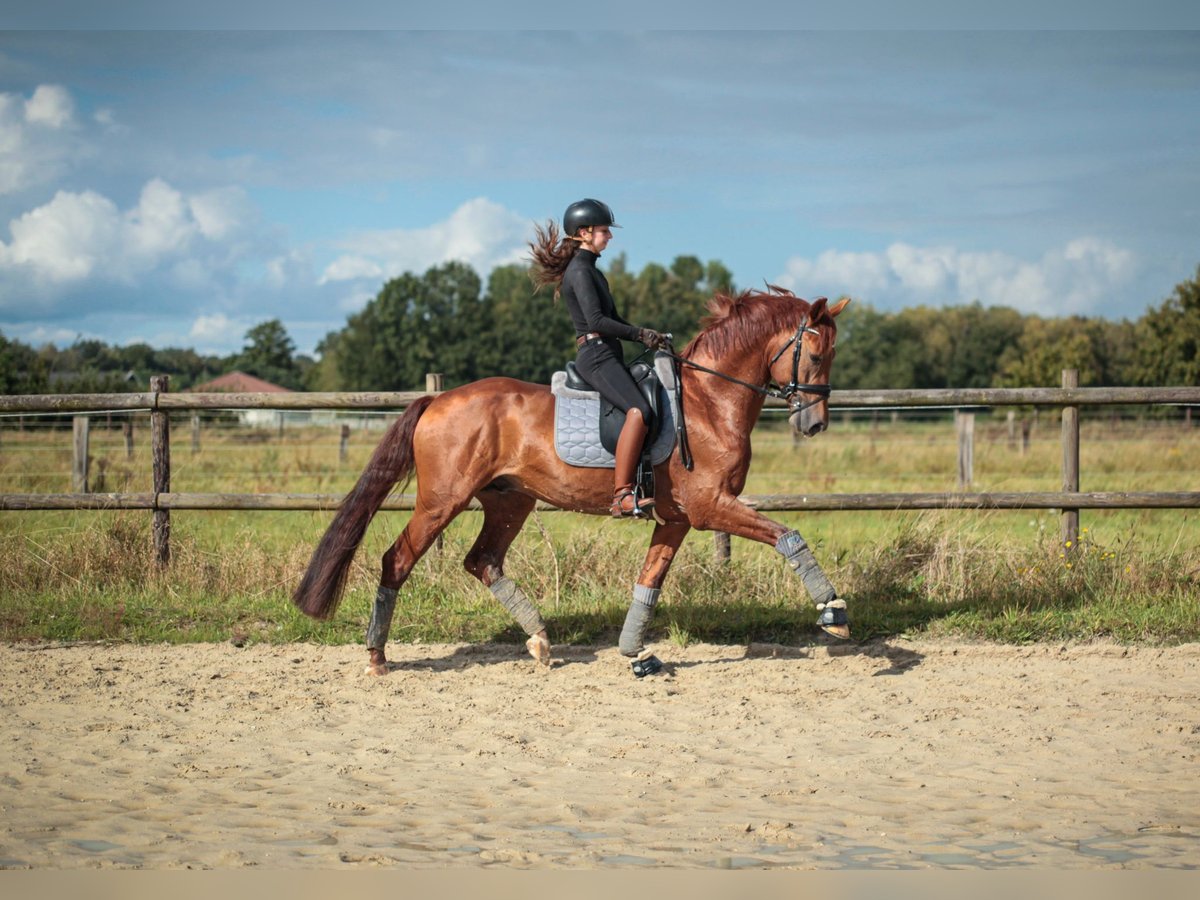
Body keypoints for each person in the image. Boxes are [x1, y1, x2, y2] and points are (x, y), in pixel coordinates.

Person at [528, 198, 666, 517]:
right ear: (585, 233)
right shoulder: (580, 271)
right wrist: (639, 334)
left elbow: (614, 317)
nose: (610, 236)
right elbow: (596, 322)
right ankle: (622, 496)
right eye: (605, 230)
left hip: (607, 351)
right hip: (596, 354)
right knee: (638, 410)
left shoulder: (593, 271)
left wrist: (649, 335)